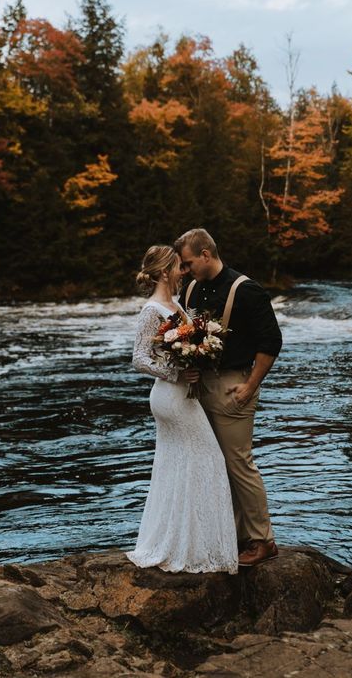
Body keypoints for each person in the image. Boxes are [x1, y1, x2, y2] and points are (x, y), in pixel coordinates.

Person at [126, 244, 238, 574]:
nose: (182, 271)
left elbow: (182, 344)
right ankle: (187, 549)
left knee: (182, 467)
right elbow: (139, 359)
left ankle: (185, 544)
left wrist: (202, 351)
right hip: (170, 397)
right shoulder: (151, 310)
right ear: (164, 272)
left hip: (181, 395)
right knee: (207, 459)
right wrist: (176, 372)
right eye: (177, 266)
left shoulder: (174, 303)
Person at [174, 228, 282, 567]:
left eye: (189, 263)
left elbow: (271, 342)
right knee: (213, 465)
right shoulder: (191, 289)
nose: (186, 270)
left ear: (206, 254)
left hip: (233, 385)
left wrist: (250, 386)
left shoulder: (246, 289)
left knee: (238, 464)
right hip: (198, 388)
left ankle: (263, 541)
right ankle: (231, 537)